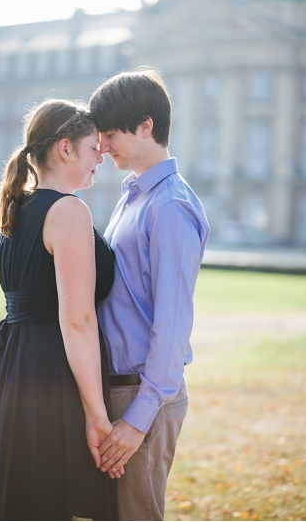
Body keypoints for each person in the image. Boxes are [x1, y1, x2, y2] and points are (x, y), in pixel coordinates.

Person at [0, 99, 121, 520]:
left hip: (14, 369)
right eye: (94, 148)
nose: (101, 158)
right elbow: (76, 320)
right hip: (53, 373)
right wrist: (96, 416)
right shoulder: (67, 210)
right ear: (65, 149)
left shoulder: (18, 209)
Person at [88, 67, 210, 520]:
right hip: (117, 388)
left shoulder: (171, 206)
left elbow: (173, 322)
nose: (101, 146)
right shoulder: (133, 195)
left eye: (110, 133)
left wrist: (138, 418)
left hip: (144, 395)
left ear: (146, 126)